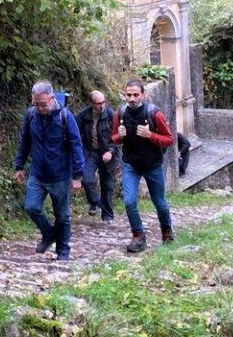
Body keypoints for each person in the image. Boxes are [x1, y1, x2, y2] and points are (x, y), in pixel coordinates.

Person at [14, 81, 85, 262]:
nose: (39, 108)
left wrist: (77, 176)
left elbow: (76, 146)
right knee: (31, 207)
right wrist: (19, 166)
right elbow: (25, 142)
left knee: (62, 215)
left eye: (43, 104)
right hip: (38, 173)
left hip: (60, 175)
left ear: (52, 99)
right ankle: (49, 233)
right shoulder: (31, 116)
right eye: (35, 104)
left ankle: (63, 251)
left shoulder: (65, 117)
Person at [112, 78, 174, 252]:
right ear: (125, 95)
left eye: (135, 95)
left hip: (152, 164)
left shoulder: (154, 114)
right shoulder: (121, 113)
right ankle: (138, 235)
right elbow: (114, 138)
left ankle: (166, 231)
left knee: (159, 201)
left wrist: (150, 135)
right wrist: (119, 136)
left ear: (143, 95)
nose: (132, 98)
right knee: (129, 201)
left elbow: (169, 139)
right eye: (128, 95)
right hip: (130, 164)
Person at [75, 90, 117, 222]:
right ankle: (95, 202)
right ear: (91, 103)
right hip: (90, 152)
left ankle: (107, 215)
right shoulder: (83, 115)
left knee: (107, 184)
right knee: (86, 178)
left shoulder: (112, 115)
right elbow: (74, 133)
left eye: (103, 102)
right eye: (98, 103)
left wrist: (110, 151)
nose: (101, 106)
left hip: (107, 152)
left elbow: (118, 137)